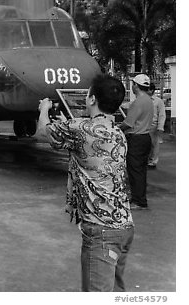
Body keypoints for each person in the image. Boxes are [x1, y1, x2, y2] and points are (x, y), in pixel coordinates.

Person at [36, 74, 134, 292]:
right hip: (124, 226)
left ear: (91, 99)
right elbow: (87, 144)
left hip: (101, 231)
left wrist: (44, 109)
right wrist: (67, 126)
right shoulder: (118, 133)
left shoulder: (80, 129)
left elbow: (42, 133)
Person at [119, 74, 153, 210]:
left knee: (135, 171)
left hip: (136, 139)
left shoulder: (138, 102)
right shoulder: (149, 100)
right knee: (141, 170)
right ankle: (140, 198)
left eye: (133, 84)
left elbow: (128, 123)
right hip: (145, 137)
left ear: (136, 86)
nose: (132, 87)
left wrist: (115, 128)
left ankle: (139, 201)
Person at [147, 83, 166, 168]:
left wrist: (160, 127)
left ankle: (153, 161)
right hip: (143, 125)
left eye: (147, 89)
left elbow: (162, 114)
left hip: (153, 126)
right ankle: (146, 160)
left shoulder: (158, 101)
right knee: (145, 144)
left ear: (151, 90)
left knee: (154, 144)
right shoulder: (142, 100)